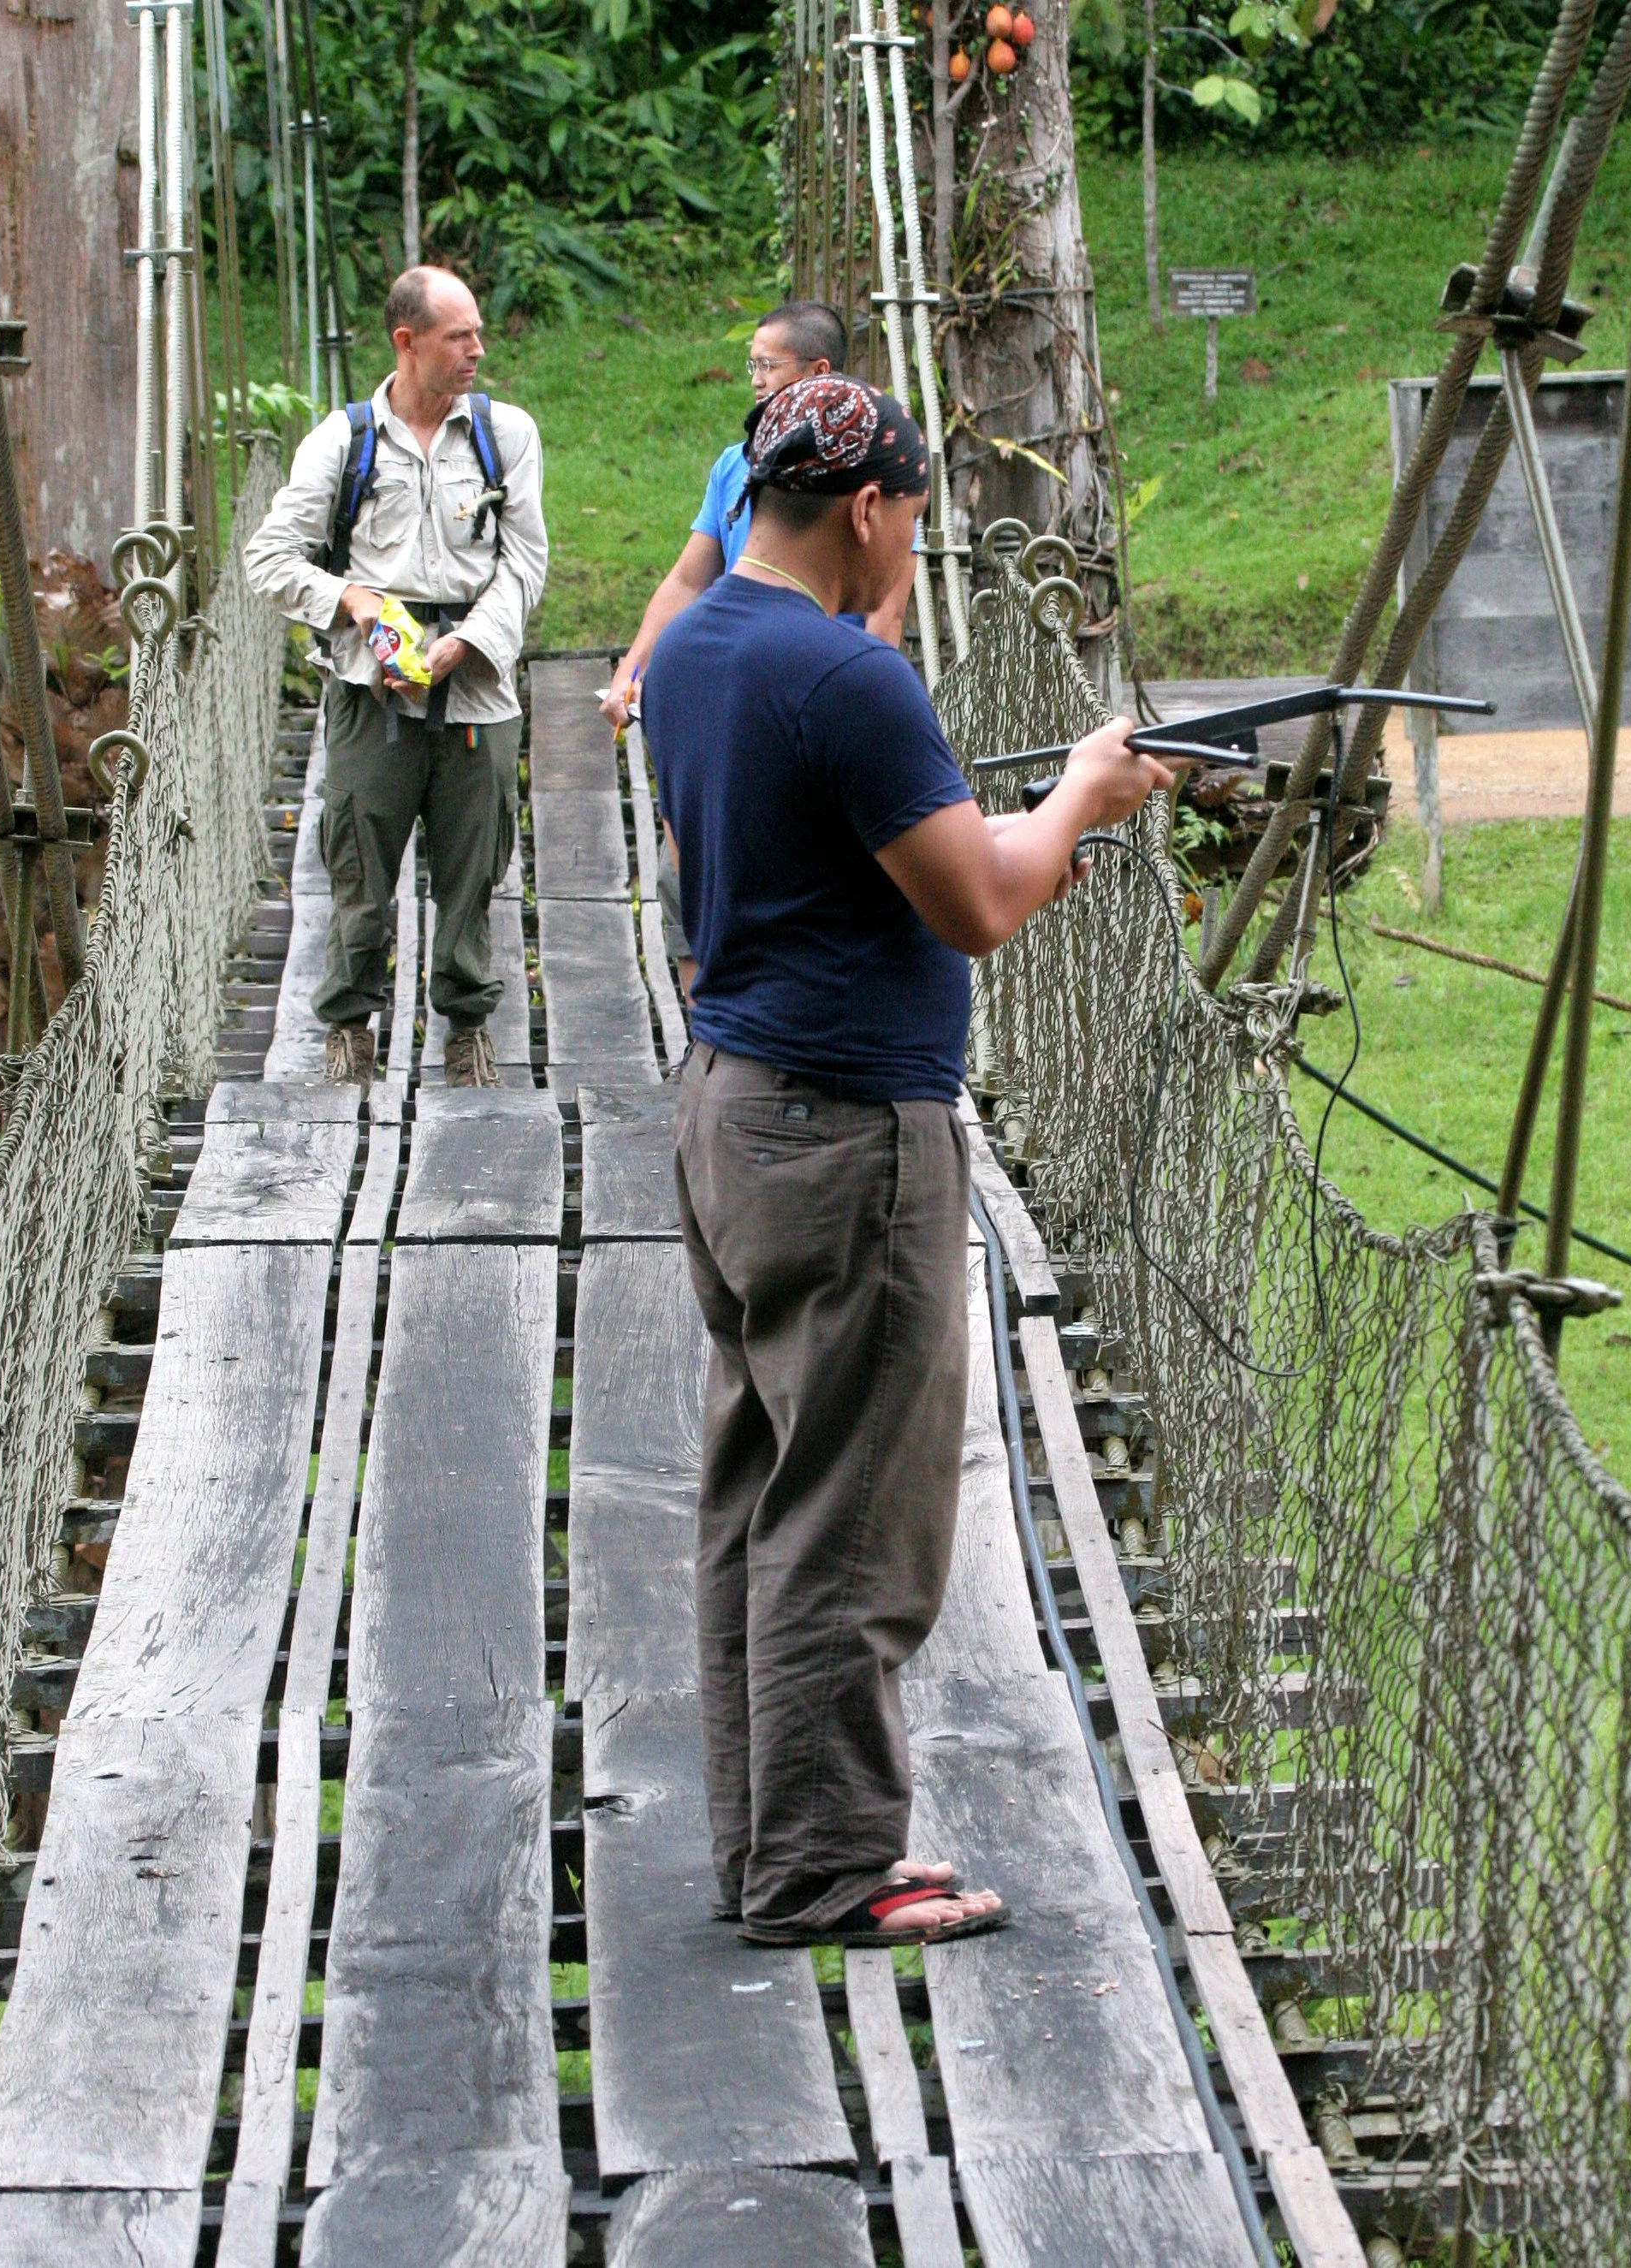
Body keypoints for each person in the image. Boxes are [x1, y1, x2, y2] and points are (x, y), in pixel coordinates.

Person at [643, 375, 1183, 1948]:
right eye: (913, 520)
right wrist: (1082, 795)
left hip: (730, 1106)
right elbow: (977, 908)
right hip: (849, 1135)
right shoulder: (844, 676)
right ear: (868, 507)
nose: (911, 550)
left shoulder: (691, 650)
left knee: (761, 1488)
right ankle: (824, 1868)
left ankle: (773, 1844)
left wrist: (1020, 835)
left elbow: (828, 862)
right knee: (854, 1512)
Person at [246, 265, 548, 1089]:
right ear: (407, 343)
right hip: (366, 691)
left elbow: (524, 565)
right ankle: (347, 1029)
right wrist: (349, 599)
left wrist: (469, 642)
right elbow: (266, 559)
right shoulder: (341, 442)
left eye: (478, 333)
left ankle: (467, 1027)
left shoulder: (505, 435)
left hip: (476, 685)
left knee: (474, 861)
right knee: (356, 860)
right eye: (460, 337)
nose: (477, 351)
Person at [601, 301, 916, 990]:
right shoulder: (736, 467)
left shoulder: (877, 480)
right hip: (734, 684)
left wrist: (878, 706)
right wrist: (633, 668)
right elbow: (690, 577)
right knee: (691, 857)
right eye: (751, 364)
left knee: (798, 866)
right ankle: (703, 1030)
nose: (752, 379)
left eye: (764, 365)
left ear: (817, 372)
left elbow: (886, 618)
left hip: (825, 700)